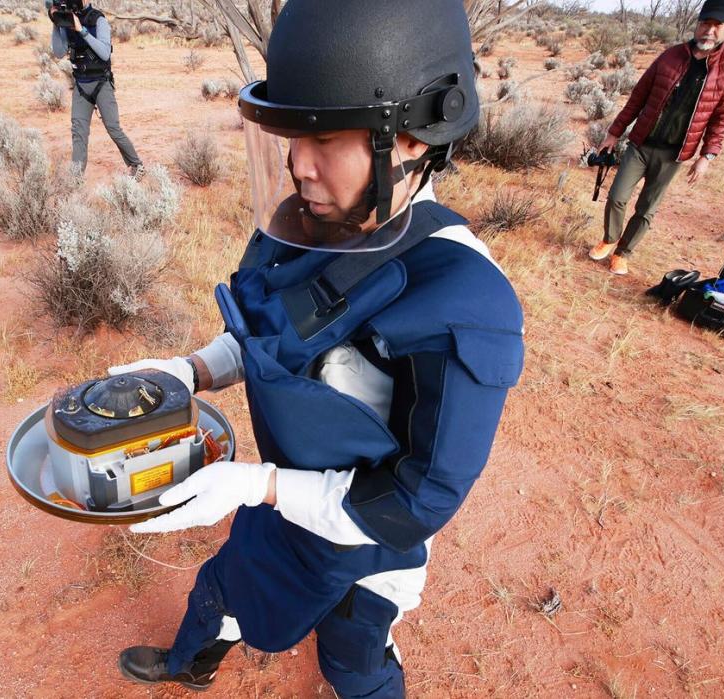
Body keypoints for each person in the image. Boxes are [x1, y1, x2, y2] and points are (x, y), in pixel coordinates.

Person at [106, 1, 524, 696]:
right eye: (290, 136)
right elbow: (267, 334)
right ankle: (191, 663)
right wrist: (191, 371)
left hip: (366, 545)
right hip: (283, 506)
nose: (298, 166)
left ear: (414, 139)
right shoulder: (308, 223)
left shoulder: (464, 304)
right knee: (223, 589)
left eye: (323, 137)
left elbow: (414, 503)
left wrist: (259, 484)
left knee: (353, 655)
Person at [589, 0, 724, 276]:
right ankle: (610, 238)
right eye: (705, 23)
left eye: (717, 26)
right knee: (616, 196)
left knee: (647, 207)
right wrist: (614, 133)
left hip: (674, 153)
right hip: (641, 143)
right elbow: (638, 96)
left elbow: (723, 116)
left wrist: (707, 156)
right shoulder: (671, 56)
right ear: (697, 24)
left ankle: (623, 253)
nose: (709, 31)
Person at [45, 0, 143, 176]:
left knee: (113, 128)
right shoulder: (68, 20)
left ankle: (137, 165)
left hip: (101, 83)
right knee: (78, 133)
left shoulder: (98, 20)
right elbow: (59, 52)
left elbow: (105, 53)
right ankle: (75, 180)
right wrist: (57, 23)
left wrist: (81, 30)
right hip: (81, 85)